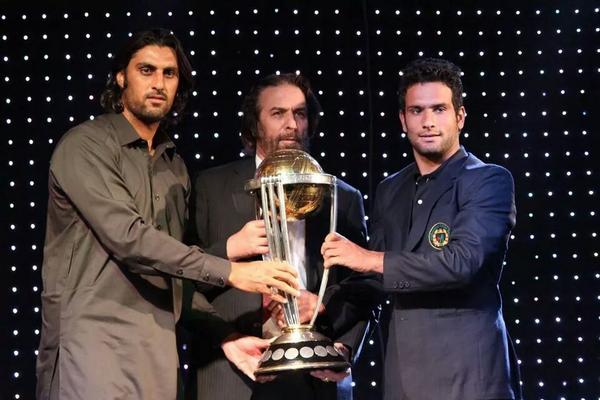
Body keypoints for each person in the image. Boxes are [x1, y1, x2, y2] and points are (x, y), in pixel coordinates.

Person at [36, 29, 299, 400]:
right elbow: (129, 237)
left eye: (169, 74)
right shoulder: (85, 145)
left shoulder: (174, 168)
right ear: (121, 76)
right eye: (146, 70)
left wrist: (225, 336)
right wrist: (233, 271)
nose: (158, 83)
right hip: (94, 352)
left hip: (160, 358)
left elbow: (176, 275)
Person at [321, 58, 521, 400]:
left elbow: (463, 263)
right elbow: (373, 282)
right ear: (403, 120)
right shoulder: (390, 189)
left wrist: (368, 259)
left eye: (439, 109)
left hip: (469, 376)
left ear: (460, 116)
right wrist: (327, 315)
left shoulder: (487, 179)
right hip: (402, 376)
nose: (428, 122)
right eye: (416, 111)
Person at [182, 73, 379, 400]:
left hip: (316, 378)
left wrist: (329, 319)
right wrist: (226, 336)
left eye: (300, 114)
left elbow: (364, 286)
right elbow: (181, 281)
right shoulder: (209, 187)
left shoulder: (341, 197)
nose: (292, 124)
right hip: (232, 372)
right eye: (278, 114)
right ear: (254, 124)